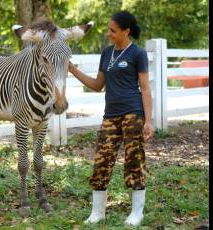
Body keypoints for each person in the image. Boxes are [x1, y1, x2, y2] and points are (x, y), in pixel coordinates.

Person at [68, 10, 154, 226]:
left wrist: (149, 120)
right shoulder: (107, 53)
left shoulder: (137, 54)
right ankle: (98, 213)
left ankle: (137, 213)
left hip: (133, 114)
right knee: (102, 161)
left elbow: (145, 88)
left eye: (113, 30)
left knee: (134, 160)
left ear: (126, 31)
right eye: (108, 29)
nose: (108, 33)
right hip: (111, 116)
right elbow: (98, 86)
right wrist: (72, 69)